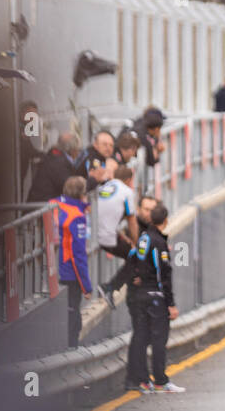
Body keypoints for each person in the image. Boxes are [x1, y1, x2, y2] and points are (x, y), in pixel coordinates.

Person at [117, 202, 181, 393]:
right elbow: (163, 275)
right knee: (159, 340)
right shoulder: (159, 243)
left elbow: (134, 261)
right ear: (166, 220)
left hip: (139, 295)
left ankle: (143, 380)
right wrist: (170, 303)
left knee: (141, 337)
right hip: (155, 297)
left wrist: (136, 277)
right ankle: (161, 380)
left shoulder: (143, 238)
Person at [55, 175, 91, 349]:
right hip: (70, 272)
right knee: (73, 311)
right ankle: (71, 346)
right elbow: (78, 254)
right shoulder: (76, 217)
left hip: (53, 270)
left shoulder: (54, 205)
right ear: (81, 194)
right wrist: (86, 285)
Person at [93, 159, 138, 299]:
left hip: (94, 234)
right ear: (130, 179)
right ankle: (109, 288)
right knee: (137, 257)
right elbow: (132, 221)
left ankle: (111, 287)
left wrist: (122, 236)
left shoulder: (104, 187)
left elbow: (107, 217)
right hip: (106, 238)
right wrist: (135, 243)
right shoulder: (127, 192)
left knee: (130, 254)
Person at [27, 132, 82, 202]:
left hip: (42, 206)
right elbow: (71, 188)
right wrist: (92, 180)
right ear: (73, 150)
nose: (79, 153)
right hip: (43, 208)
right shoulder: (58, 162)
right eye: (78, 149)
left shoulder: (55, 157)